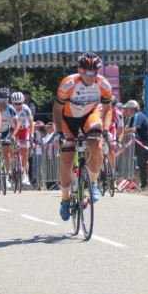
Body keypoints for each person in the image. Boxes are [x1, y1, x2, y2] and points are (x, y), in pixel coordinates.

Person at [53, 52, 112, 220]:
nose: (91, 76)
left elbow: (108, 109)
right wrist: (58, 132)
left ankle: (93, 183)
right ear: (80, 71)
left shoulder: (103, 84)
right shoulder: (69, 83)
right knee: (67, 158)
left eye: (94, 73)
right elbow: (57, 109)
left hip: (89, 115)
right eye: (87, 73)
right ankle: (65, 198)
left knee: (96, 144)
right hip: (68, 119)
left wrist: (106, 130)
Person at [122, 100, 148, 190]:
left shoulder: (138, 116)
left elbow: (133, 129)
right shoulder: (133, 117)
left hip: (147, 142)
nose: (126, 111)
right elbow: (129, 129)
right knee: (141, 165)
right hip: (140, 143)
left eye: (127, 109)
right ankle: (144, 185)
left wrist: (120, 132)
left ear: (132, 109)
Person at [9, 91, 34, 186]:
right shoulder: (10, 109)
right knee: (11, 150)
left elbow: (31, 122)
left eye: (20, 103)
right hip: (13, 130)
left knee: (25, 152)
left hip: (24, 130)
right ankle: (11, 169)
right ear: (12, 103)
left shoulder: (26, 109)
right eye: (16, 104)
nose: (18, 105)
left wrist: (31, 135)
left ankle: (24, 175)